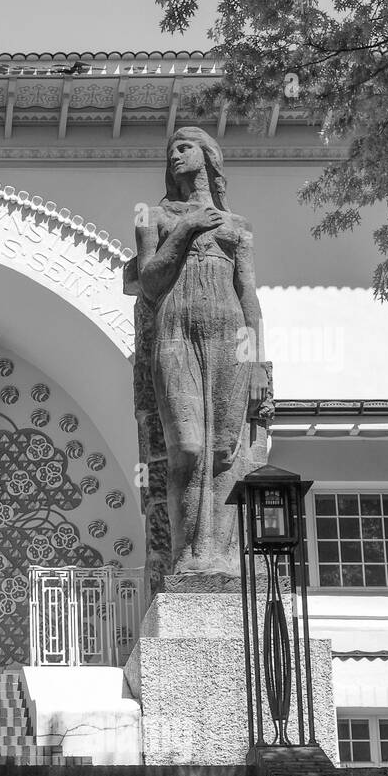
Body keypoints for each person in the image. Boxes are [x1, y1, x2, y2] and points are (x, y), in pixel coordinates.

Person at [131, 126, 273, 576]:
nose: (174, 155)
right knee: (188, 448)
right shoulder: (151, 216)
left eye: (184, 147)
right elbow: (151, 282)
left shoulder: (237, 226)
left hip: (229, 336)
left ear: (208, 157)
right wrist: (185, 230)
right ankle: (186, 554)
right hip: (176, 334)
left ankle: (222, 557)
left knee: (226, 452)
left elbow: (248, 294)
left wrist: (256, 363)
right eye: (170, 148)